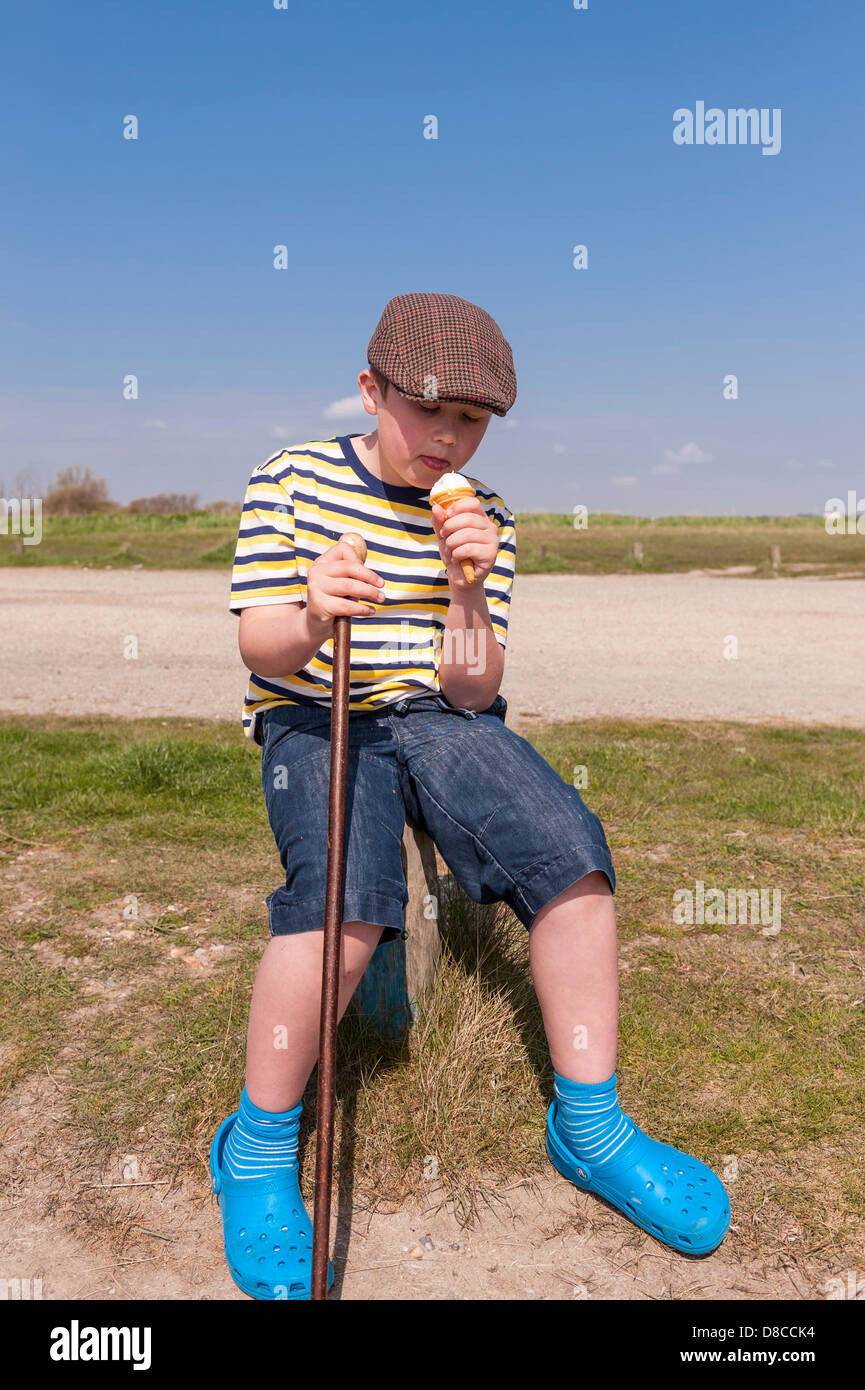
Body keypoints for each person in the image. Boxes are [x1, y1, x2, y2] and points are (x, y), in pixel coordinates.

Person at [210, 292, 730, 1300]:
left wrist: (460, 591)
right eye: (427, 413)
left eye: (471, 422)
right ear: (370, 391)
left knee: (571, 859)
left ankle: (589, 1128)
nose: (447, 440)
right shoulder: (291, 479)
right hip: (318, 716)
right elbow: (257, 645)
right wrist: (314, 615)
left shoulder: (485, 517)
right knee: (347, 909)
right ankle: (259, 1146)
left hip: (438, 715)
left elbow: (473, 689)